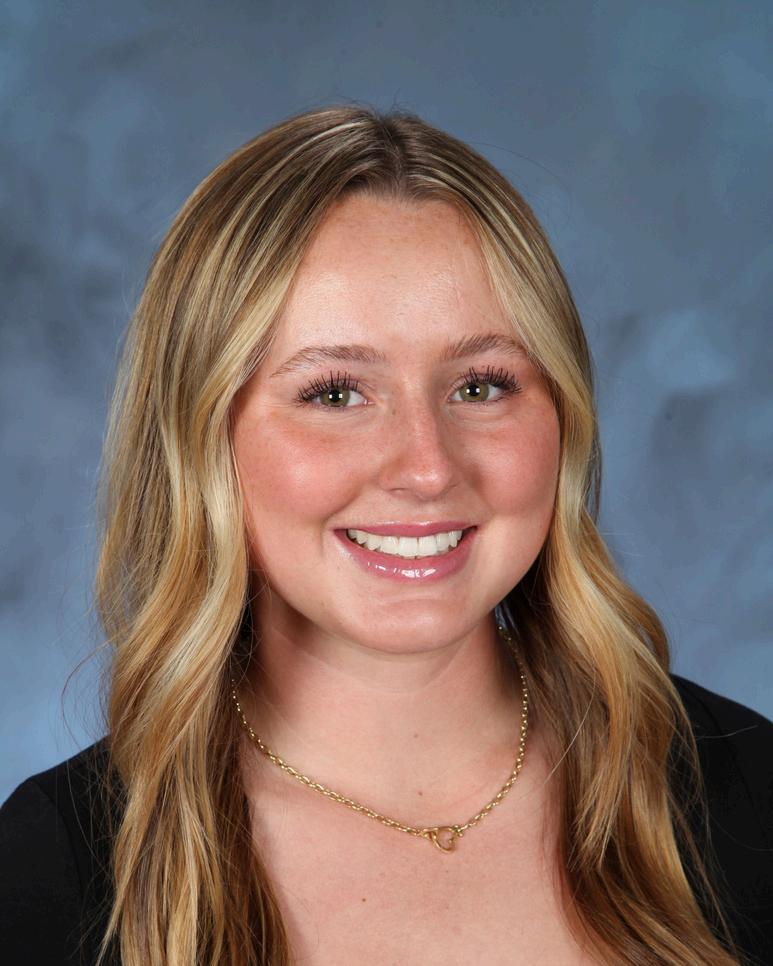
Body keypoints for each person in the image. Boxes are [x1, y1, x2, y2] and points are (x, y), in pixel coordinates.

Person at [1, 105, 771, 966]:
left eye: (480, 385)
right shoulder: (46, 876)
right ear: (200, 436)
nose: (427, 467)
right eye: (335, 393)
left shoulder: (747, 791)